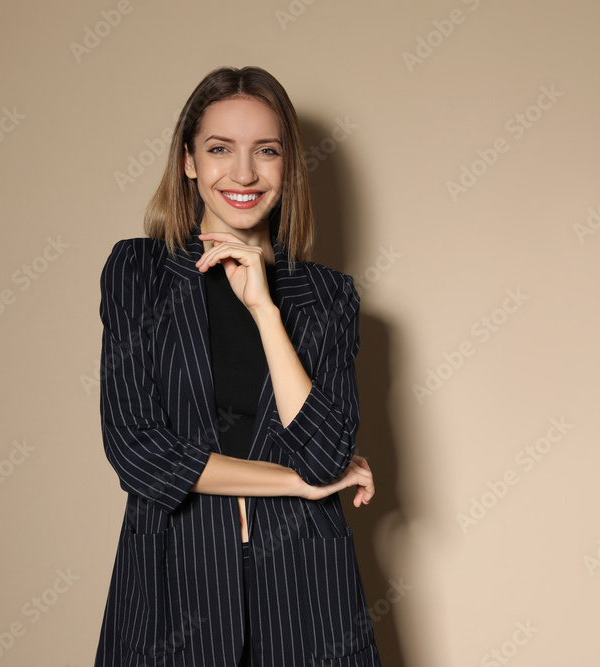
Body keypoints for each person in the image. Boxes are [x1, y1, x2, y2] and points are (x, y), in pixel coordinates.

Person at [94, 65, 382, 666]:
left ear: (288, 165)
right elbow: (138, 451)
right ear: (188, 161)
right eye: (220, 149)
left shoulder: (328, 297)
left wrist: (265, 311)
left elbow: (325, 457)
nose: (244, 173)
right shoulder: (138, 273)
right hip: (174, 589)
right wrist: (294, 484)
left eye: (266, 151)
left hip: (307, 596)